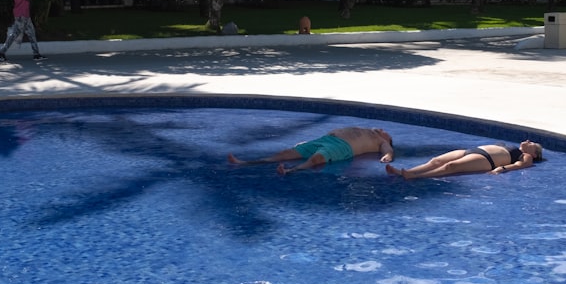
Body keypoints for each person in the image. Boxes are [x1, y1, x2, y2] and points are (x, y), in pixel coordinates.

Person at [228, 127, 394, 175]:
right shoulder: (367, 129)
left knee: (317, 159)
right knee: (286, 153)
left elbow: (387, 149)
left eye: (387, 133)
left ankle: (290, 171)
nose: (383, 129)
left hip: (343, 147)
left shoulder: (380, 140)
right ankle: (245, 163)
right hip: (325, 140)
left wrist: (387, 154)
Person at [385, 141, 542, 179]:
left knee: (451, 166)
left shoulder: (526, 156)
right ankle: (404, 172)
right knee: (435, 161)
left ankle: (414, 176)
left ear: (534, 154)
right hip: (472, 151)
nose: (528, 141)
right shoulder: (512, 145)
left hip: (486, 159)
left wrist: (503, 169)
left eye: (532, 144)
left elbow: (523, 164)